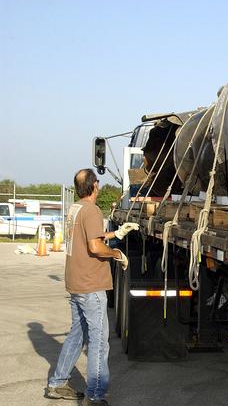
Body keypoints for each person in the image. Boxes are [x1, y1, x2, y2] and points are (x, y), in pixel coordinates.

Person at [45, 169, 138, 406]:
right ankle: (95, 394)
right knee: (98, 341)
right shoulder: (93, 210)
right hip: (91, 286)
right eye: (98, 182)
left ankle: (57, 383)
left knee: (77, 334)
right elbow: (95, 248)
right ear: (95, 185)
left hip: (76, 283)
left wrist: (115, 233)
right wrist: (116, 252)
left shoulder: (76, 208)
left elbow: (90, 237)